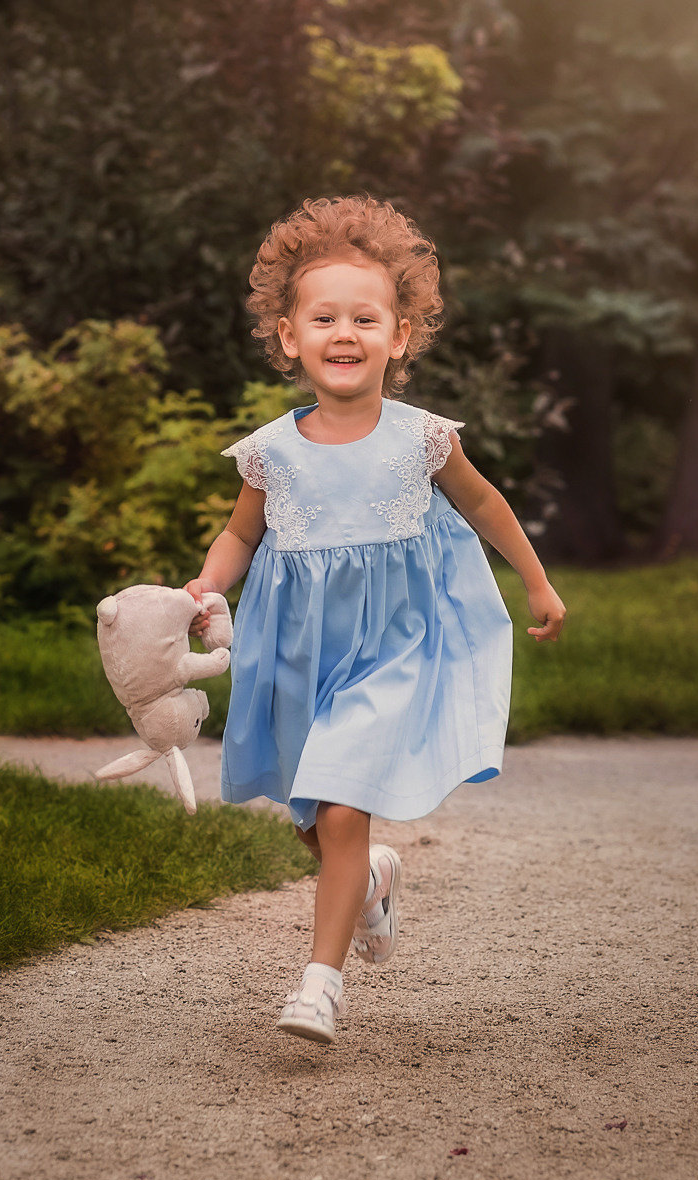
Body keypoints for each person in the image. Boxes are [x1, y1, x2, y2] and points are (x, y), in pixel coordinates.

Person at [185, 196, 566, 1045]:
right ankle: (368, 880)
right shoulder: (271, 452)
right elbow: (241, 534)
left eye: (365, 317)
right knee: (316, 819)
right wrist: (207, 587)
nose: (345, 332)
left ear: (400, 335)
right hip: (297, 654)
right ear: (289, 336)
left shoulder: (420, 439)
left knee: (343, 806)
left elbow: (484, 503)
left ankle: (319, 984)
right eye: (324, 318)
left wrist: (536, 583)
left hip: (393, 648)